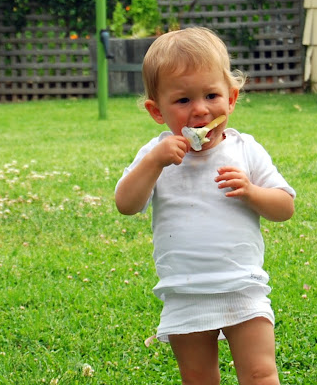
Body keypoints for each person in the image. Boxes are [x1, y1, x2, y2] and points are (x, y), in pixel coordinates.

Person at [115, 27, 295, 385]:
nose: (200, 110)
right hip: (185, 292)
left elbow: (284, 207)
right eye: (183, 101)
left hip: (242, 286)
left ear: (231, 98)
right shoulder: (156, 155)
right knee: (198, 378)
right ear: (156, 110)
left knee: (260, 373)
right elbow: (126, 204)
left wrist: (252, 192)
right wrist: (154, 162)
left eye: (211, 95)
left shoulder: (245, 150)